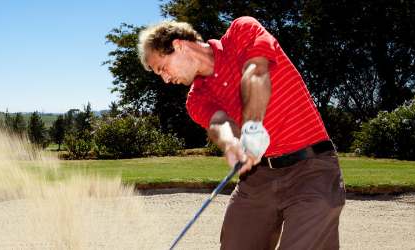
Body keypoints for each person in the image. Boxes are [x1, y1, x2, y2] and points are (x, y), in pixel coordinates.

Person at [137, 16, 346, 249]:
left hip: (312, 168)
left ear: (179, 45)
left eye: (162, 68)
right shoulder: (196, 99)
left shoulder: (241, 31)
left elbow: (255, 71)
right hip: (257, 179)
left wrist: (252, 126)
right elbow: (219, 123)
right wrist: (232, 143)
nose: (165, 79)